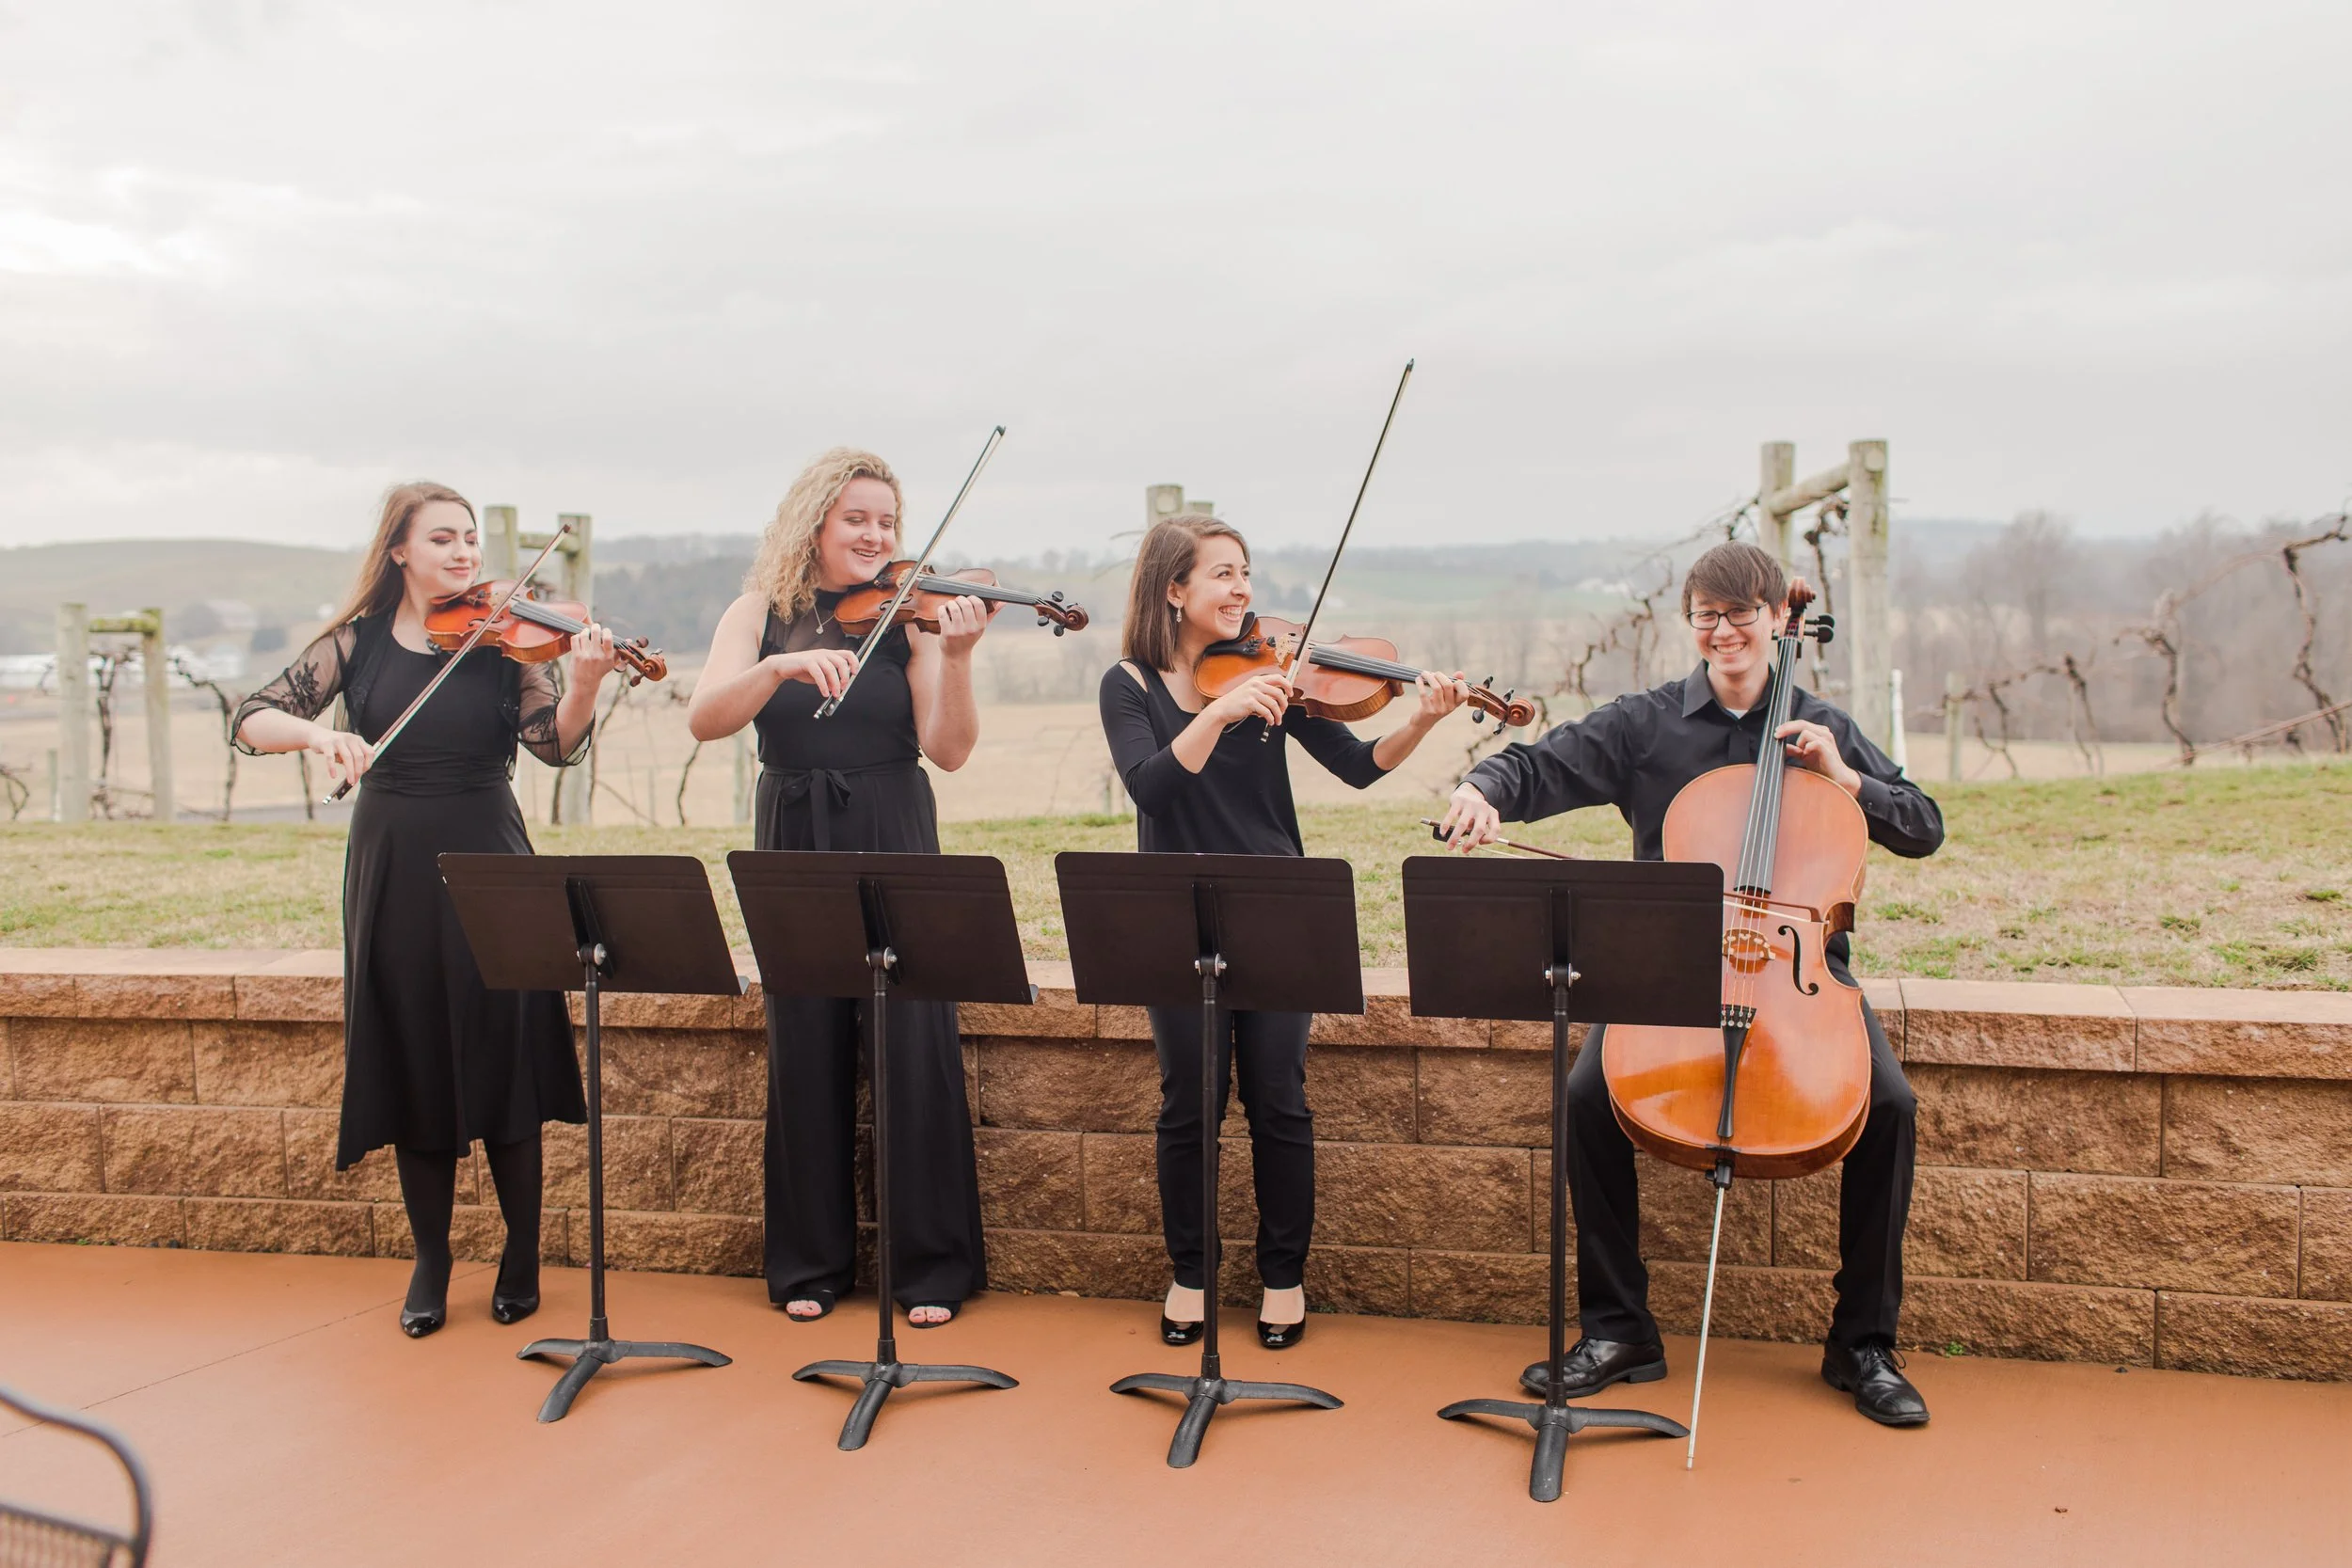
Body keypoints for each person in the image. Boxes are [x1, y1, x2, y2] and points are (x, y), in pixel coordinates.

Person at [1438, 539, 1944, 1426]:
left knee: (1890, 1107)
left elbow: (1923, 827)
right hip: (1671, 965)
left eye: (1743, 614)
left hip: (1803, 974)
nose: (1725, 631)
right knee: (1589, 1095)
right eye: (1707, 615)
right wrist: (1484, 787)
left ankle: (1862, 1342)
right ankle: (1618, 1328)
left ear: (1780, 620)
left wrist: (1845, 774)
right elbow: (1538, 765)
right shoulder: (1646, 724)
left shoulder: (1821, 724)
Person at [234, 482, 619, 1337]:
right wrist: (319, 735)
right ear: (400, 551)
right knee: (412, 1047)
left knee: (508, 1042)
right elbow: (252, 715)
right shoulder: (359, 645)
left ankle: (523, 1250)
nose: (464, 554)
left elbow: (553, 744)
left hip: (490, 850)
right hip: (393, 864)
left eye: (472, 540)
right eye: (443, 538)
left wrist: (584, 680)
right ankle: (432, 1256)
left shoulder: (503, 642)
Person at [1101, 513, 1471, 1350]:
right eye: (1223, 573)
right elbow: (1153, 788)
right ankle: (1190, 1272)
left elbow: (1356, 765)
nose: (1242, 590)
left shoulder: (1275, 674)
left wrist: (1422, 720)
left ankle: (1282, 1279)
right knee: (1186, 1105)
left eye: (1246, 573)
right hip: (1177, 915)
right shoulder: (1130, 684)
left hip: (1280, 904)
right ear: (1174, 588)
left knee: (1279, 1100)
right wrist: (1223, 710)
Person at [688, 448, 994, 1327]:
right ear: (814, 523)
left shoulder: (912, 618)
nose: (875, 535)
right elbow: (708, 716)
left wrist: (959, 655)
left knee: (913, 1041)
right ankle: (810, 1264)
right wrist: (778, 669)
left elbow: (951, 748)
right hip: (792, 829)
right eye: (857, 518)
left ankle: (928, 1266)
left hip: (895, 824)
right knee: (805, 1039)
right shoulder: (760, 612)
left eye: (888, 522)